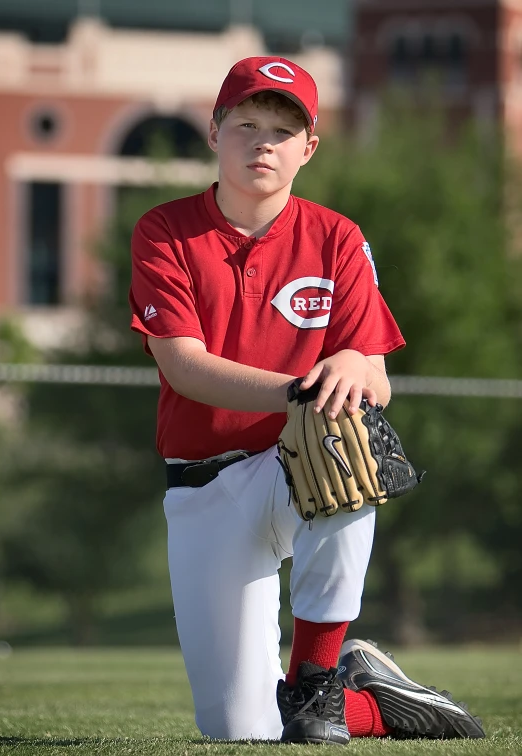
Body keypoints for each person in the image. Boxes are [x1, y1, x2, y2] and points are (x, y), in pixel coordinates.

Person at [129, 56, 485, 745]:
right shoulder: (165, 231)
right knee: (242, 728)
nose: (263, 142)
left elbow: (373, 378)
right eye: (246, 124)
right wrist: (303, 387)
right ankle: (371, 702)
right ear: (214, 131)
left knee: (345, 428)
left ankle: (322, 676)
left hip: (296, 467)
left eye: (282, 131)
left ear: (308, 149)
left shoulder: (336, 236)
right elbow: (185, 367)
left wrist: (351, 363)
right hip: (205, 485)